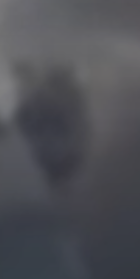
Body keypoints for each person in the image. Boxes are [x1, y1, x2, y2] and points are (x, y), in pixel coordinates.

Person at [13, 59, 91, 189]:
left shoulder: (47, 158)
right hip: (54, 120)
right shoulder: (71, 157)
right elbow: (79, 123)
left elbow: (26, 123)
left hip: (48, 120)